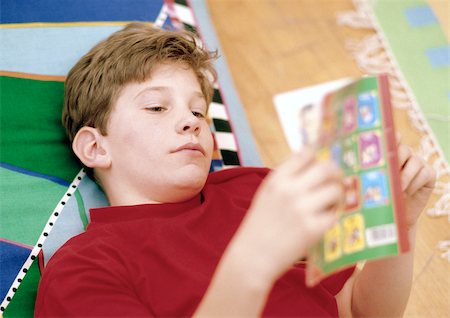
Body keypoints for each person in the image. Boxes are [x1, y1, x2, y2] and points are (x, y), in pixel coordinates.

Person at [34, 23, 436, 317]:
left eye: (197, 110)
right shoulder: (83, 267)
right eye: (157, 107)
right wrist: (253, 260)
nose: (191, 121)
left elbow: (356, 310)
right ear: (95, 146)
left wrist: (400, 222)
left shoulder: (257, 188)